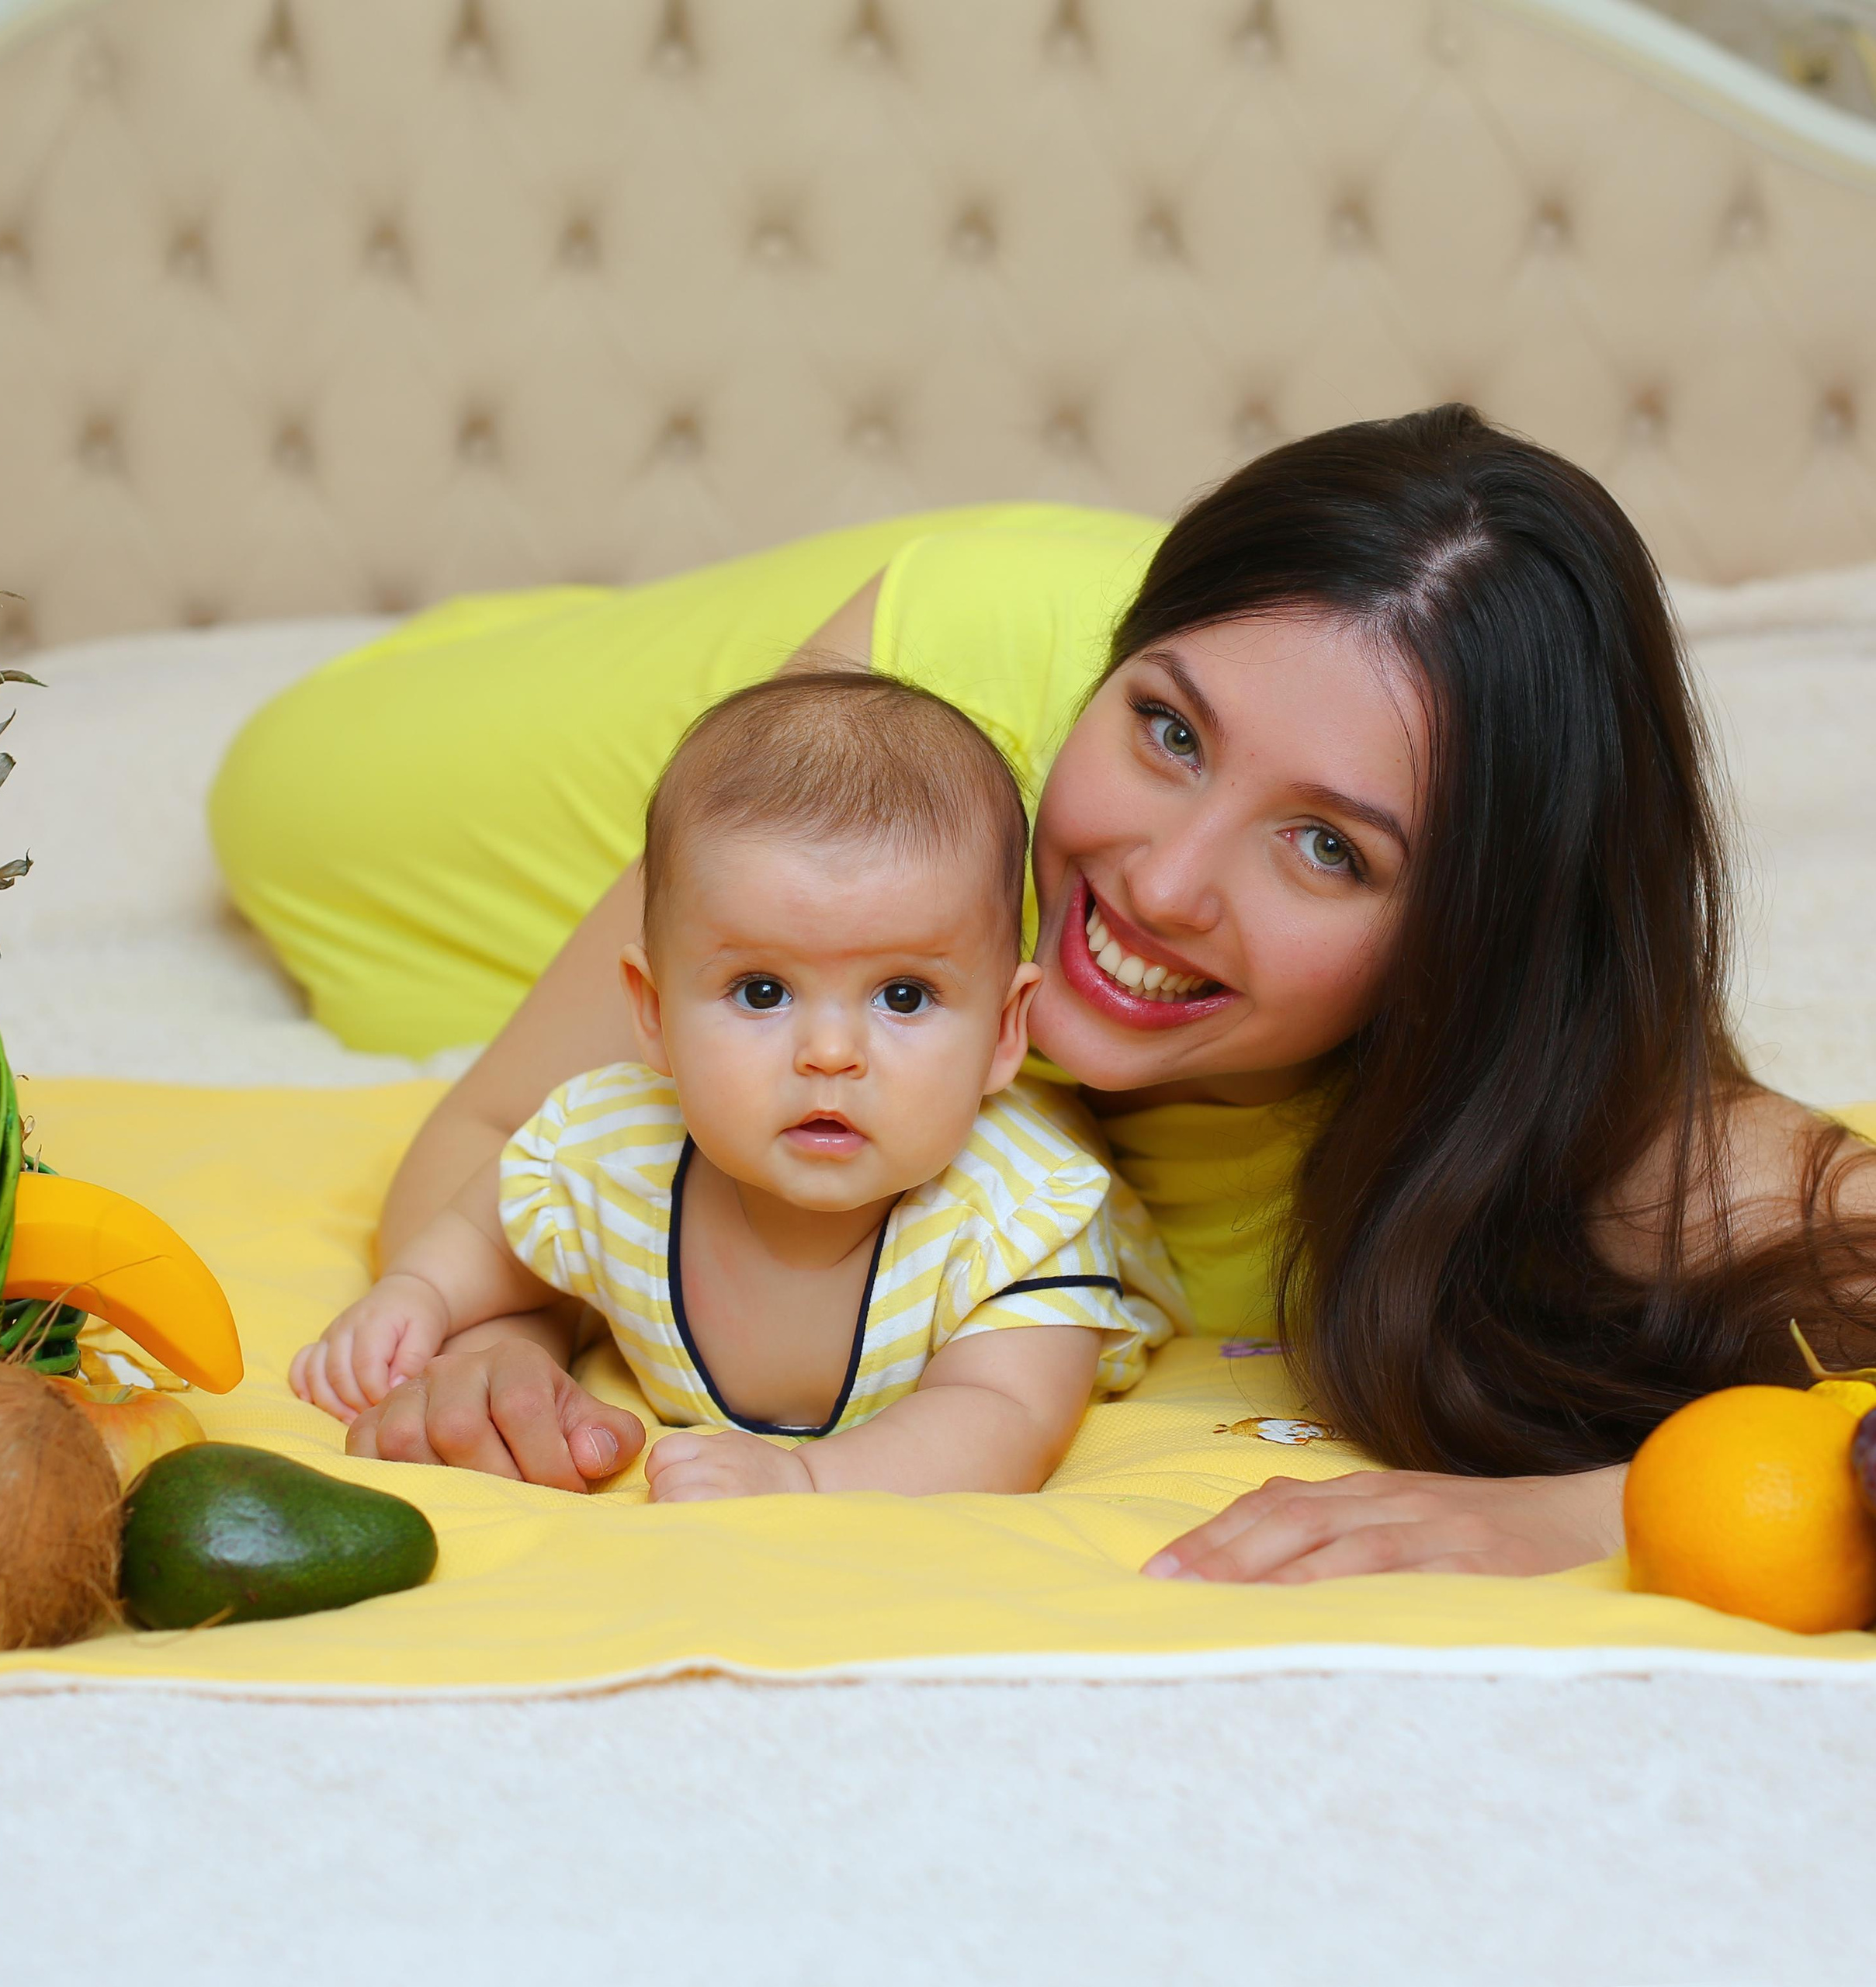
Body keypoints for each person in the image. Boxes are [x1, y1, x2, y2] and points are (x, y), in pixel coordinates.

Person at [212, 404, 1876, 1580]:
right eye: (1165, 725)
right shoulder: (918, 729)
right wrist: (506, 1319)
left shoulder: (1609, 1130)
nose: (1157, 881)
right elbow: (512, 1117)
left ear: (1476, 940)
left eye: (1323, 847)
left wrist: (1584, 1513)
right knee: (289, 793)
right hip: (800, 755)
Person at [287, 673, 1181, 1499]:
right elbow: (495, 1220)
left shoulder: (1021, 1214)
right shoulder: (614, 1143)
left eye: (904, 996)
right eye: (762, 991)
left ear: (1001, 1033)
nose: (830, 1052)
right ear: (654, 1012)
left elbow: (1005, 1417)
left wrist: (806, 1483)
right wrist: (420, 1294)